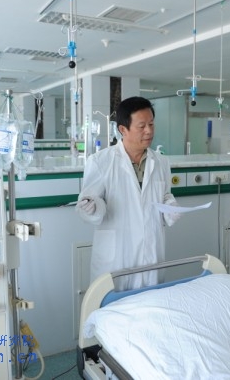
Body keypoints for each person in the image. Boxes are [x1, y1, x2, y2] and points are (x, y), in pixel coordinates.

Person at [76, 96, 180, 291]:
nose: (149, 131)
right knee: (112, 304)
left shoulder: (161, 162)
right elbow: (87, 204)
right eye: (142, 126)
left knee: (149, 303)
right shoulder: (100, 162)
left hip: (151, 252)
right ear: (123, 129)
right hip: (117, 257)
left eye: (151, 124)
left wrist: (170, 206)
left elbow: (164, 195)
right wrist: (92, 207)